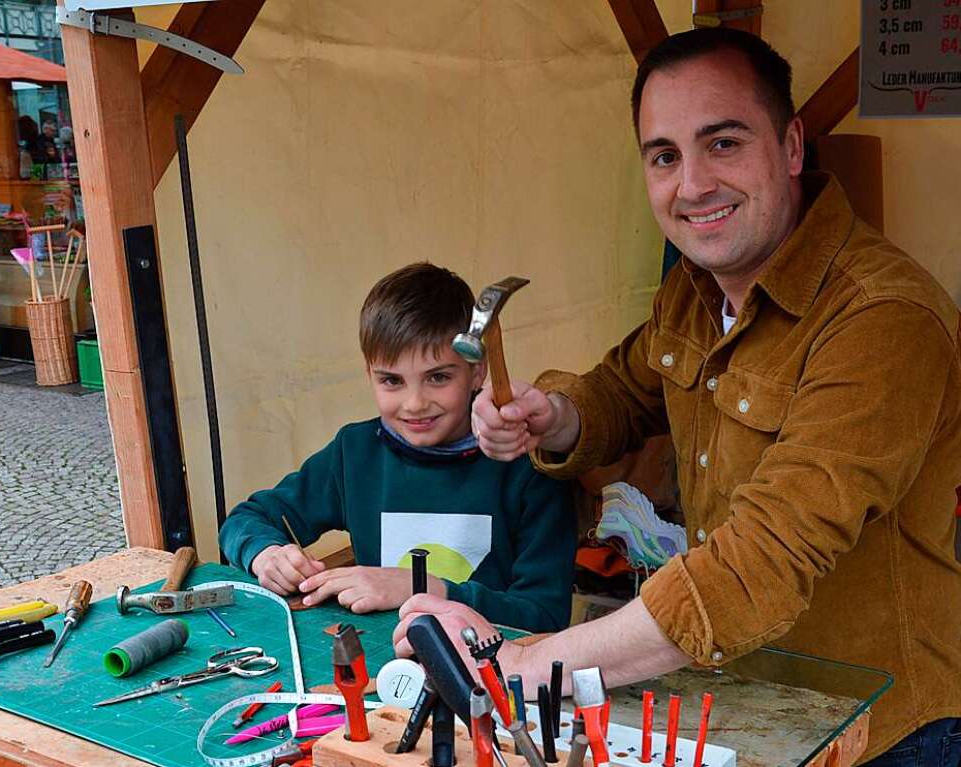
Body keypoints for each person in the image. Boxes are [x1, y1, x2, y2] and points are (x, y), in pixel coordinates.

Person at [393, 28, 961, 765]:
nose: (691, 185)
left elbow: (759, 561)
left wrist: (533, 661)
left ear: (790, 147)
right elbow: (620, 392)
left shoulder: (882, 319)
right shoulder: (693, 291)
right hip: (743, 701)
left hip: (882, 733)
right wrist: (553, 414)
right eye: (664, 156)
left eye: (722, 143)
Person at [220, 262, 576, 632]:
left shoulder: (531, 465)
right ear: (368, 374)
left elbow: (544, 618)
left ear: (477, 371)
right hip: (386, 660)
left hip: (494, 672)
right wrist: (267, 555)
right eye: (391, 380)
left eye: (438, 377)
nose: (414, 403)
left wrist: (422, 589)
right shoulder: (355, 453)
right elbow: (244, 519)